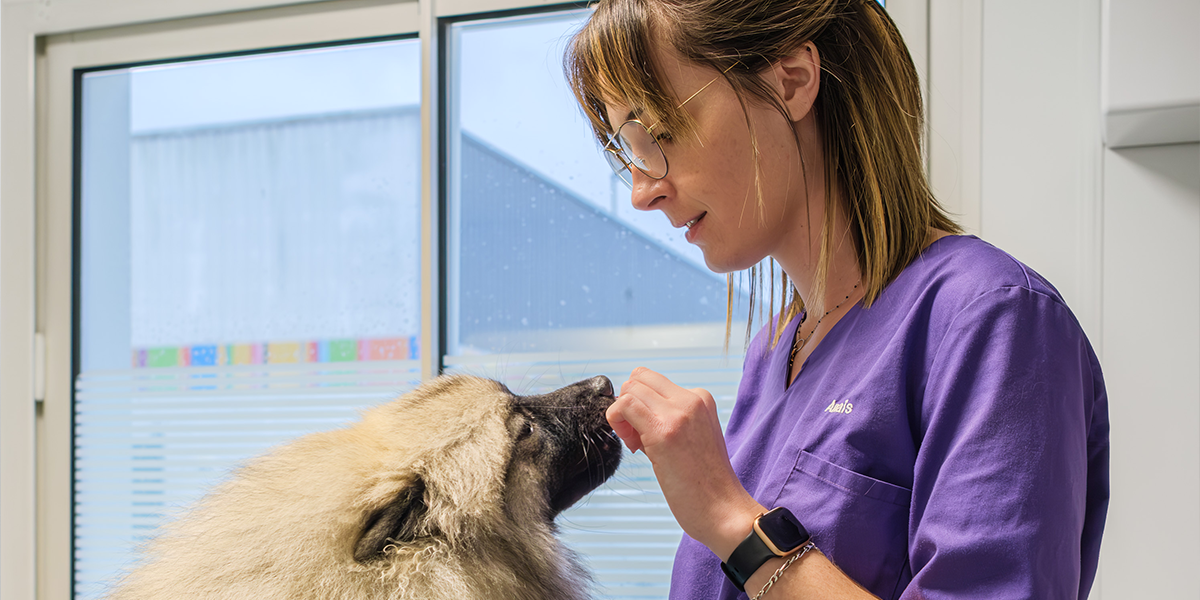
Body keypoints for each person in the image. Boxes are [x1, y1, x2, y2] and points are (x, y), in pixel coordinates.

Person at [564, 0, 1109, 599]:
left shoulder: (992, 319)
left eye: (659, 133)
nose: (643, 191)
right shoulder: (774, 350)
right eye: (629, 151)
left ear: (791, 80)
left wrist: (729, 518)